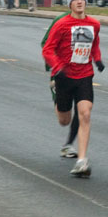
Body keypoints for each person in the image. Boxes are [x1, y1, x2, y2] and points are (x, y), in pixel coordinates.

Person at [41, 0, 104, 177]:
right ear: (70, 4)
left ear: (86, 2)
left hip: (84, 74)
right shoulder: (61, 24)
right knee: (64, 120)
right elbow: (47, 50)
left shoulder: (94, 24)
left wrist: (98, 59)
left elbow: (94, 45)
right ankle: (56, 100)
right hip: (64, 76)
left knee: (85, 114)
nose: (79, 2)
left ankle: (82, 160)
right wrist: (57, 67)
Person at [41, 10, 81, 159]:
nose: (79, 2)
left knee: (82, 109)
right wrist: (53, 68)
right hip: (61, 73)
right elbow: (45, 43)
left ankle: (68, 145)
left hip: (81, 72)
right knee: (64, 120)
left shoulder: (88, 22)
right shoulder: (60, 20)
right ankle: (56, 90)